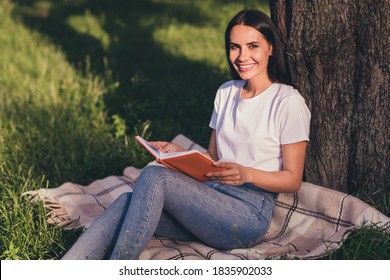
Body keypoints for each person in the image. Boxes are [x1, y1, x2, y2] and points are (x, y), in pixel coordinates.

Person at [61, 8, 310, 260]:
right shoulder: (226, 92)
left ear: (271, 48)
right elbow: (212, 159)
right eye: (235, 47)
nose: (242, 56)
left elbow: (292, 179)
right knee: (126, 202)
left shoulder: (287, 101)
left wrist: (247, 174)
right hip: (211, 197)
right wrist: (180, 154)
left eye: (252, 46)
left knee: (155, 177)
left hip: (247, 213)